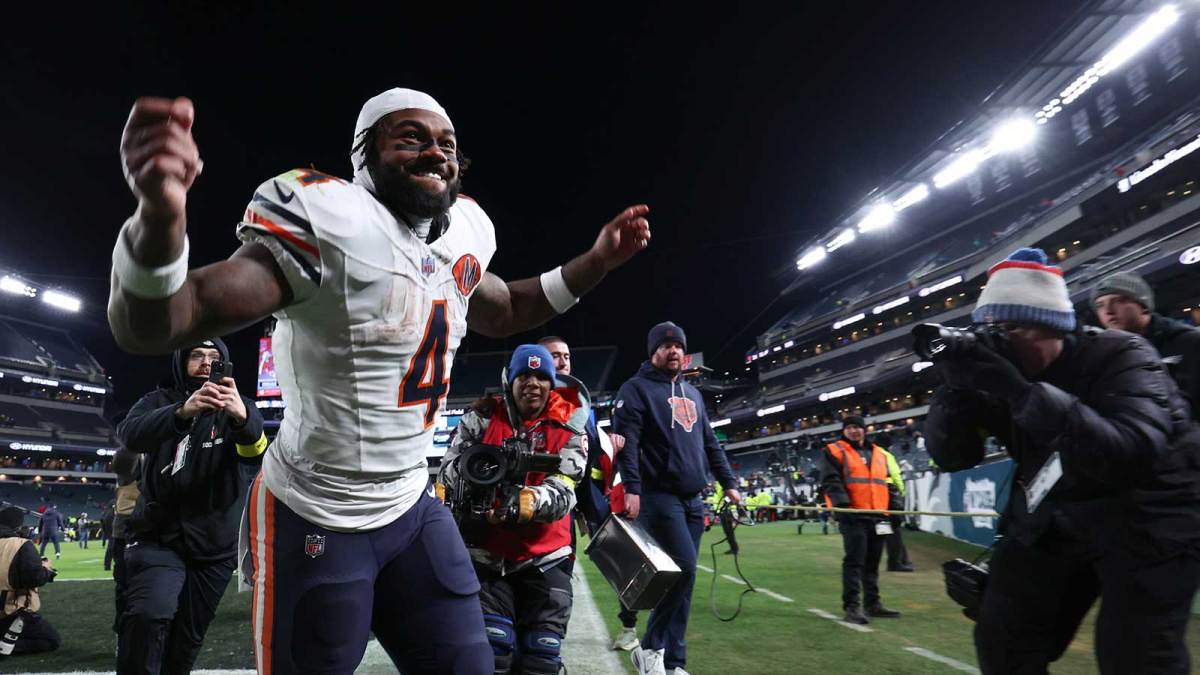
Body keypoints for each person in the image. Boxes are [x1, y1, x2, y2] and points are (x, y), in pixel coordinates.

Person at [108, 88, 650, 675]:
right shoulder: (329, 220)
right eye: (410, 138)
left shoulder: (461, 232)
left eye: (446, 144)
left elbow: (507, 308)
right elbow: (161, 321)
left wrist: (594, 262)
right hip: (317, 509)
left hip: (411, 504)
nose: (435, 153)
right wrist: (159, 216)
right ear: (362, 156)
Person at [925, 248, 1200, 673]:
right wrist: (954, 394)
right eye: (991, 330)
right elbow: (953, 457)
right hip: (1061, 510)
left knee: (1136, 655)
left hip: (1152, 515)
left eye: (1011, 329)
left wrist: (1019, 391)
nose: (1000, 342)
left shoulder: (1123, 354)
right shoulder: (1001, 377)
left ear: (1053, 326)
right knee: (1004, 639)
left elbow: (1128, 452)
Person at [115, 337, 267, 674]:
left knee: (186, 641)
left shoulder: (240, 406)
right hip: (157, 535)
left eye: (214, 358)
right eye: (196, 355)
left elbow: (255, 454)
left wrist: (242, 420)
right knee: (148, 613)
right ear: (181, 361)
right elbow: (131, 435)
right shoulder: (157, 401)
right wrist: (183, 412)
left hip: (214, 545)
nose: (205, 363)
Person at [440, 344, 587, 675]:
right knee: (494, 655)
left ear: (552, 385)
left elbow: (566, 486)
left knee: (541, 659)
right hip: (486, 556)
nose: (532, 383)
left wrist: (527, 502)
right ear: (510, 380)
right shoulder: (479, 419)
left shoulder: (570, 427)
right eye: (524, 375)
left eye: (540, 377)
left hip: (546, 556)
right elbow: (447, 471)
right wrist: (474, 477)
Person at [614, 321, 742, 675]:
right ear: (653, 351)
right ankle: (650, 648)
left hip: (692, 499)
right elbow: (630, 444)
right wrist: (634, 489)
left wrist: (728, 482)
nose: (673, 350)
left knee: (686, 582)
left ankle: (674, 663)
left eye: (678, 346)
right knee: (682, 572)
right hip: (658, 497)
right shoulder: (636, 389)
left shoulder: (694, 393)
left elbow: (710, 444)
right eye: (666, 345)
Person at [537, 335, 641, 652]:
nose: (563, 360)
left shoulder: (580, 400)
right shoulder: (529, 398)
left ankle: (626, 626)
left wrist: (608, 444)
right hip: (544, 497)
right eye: (554, 355)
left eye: (566, 355)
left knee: (611, 558)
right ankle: (539, 638)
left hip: (579, 496)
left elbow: (589, 453)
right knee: (547, 568)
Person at [820, 416, 903, 624]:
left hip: (880, 517)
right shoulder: (833, 451)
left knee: (873, 562)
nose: (854, 431)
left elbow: (887, 483)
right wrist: (844, 508)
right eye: (849, 428)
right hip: (854, 517)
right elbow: (831, 481)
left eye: (857, 427)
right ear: (844, 431)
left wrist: (895, 510)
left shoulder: (879, 453)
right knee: (854, 561)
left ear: (865, 430)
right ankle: (852, 607)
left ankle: (873, 604)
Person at [1091, 270, 1200, 416]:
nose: (1108, 311)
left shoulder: (1189, 341)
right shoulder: (1107, 358)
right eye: (1100, 305)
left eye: (1119, 301)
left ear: (1143, 305)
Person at [0, 506, 60, 657]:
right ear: (17, 525)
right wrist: (46, 570)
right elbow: (34, 578)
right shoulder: (21, 544)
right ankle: (7, 645)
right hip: (10, 611)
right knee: (51, 640)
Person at [880, 446, 913, 572]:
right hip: (888, 492)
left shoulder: (869, 452)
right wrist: (901, 492)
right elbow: (895, 474)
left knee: (884, 529)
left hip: (876, 495)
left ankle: (899, 560)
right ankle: (896, 562)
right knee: (894, 529)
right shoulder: (885, 454)